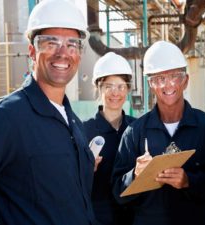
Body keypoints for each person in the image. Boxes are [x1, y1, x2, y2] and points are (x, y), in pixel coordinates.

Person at [0, 0, 97, 224]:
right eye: (51, 43)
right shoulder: (3, 118)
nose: (63, 53)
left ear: (79, 53)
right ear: (32, 51)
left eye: (72, 44)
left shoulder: (74, 124)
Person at [111, 41, 205, 225]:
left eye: (175, 76)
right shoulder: (135, 133)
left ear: (186, 80)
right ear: (151, 84)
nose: (168, 85)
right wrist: (135, 174)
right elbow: (117, 193)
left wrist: (189, 181)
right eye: (159, 78)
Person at [83, 52, 135, 225]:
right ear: (99, 88)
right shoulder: (84, 130)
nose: (115, 93)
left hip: (133, 215)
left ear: (128, 89)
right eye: (109, 86)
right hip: (98, 217)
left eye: (121, 86)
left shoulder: (137, 128)